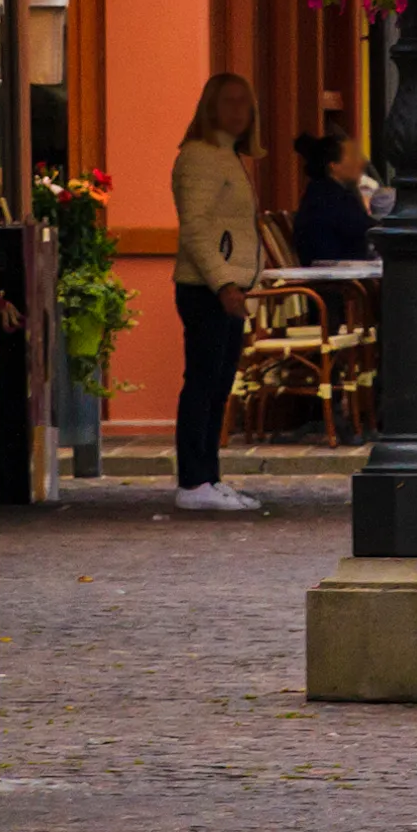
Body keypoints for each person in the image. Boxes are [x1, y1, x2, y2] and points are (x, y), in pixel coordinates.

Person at [168, 73, 265, 513]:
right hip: (208, 289)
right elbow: (196, 227)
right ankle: (193, 481)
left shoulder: (227, 156)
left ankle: (208, 477)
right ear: (210, 106)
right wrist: (223, 281)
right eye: (229, 102)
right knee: (203, 383)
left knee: (219, 385)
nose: (239, 111)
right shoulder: (200, 157)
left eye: (245, 103)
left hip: (230, 288)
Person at [291, 124, 374, 264]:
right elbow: (362, 228)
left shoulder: (325, 191)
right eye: (352, 157)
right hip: (336, 277)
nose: (360, 163)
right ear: (333, 165)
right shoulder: (329, 198)